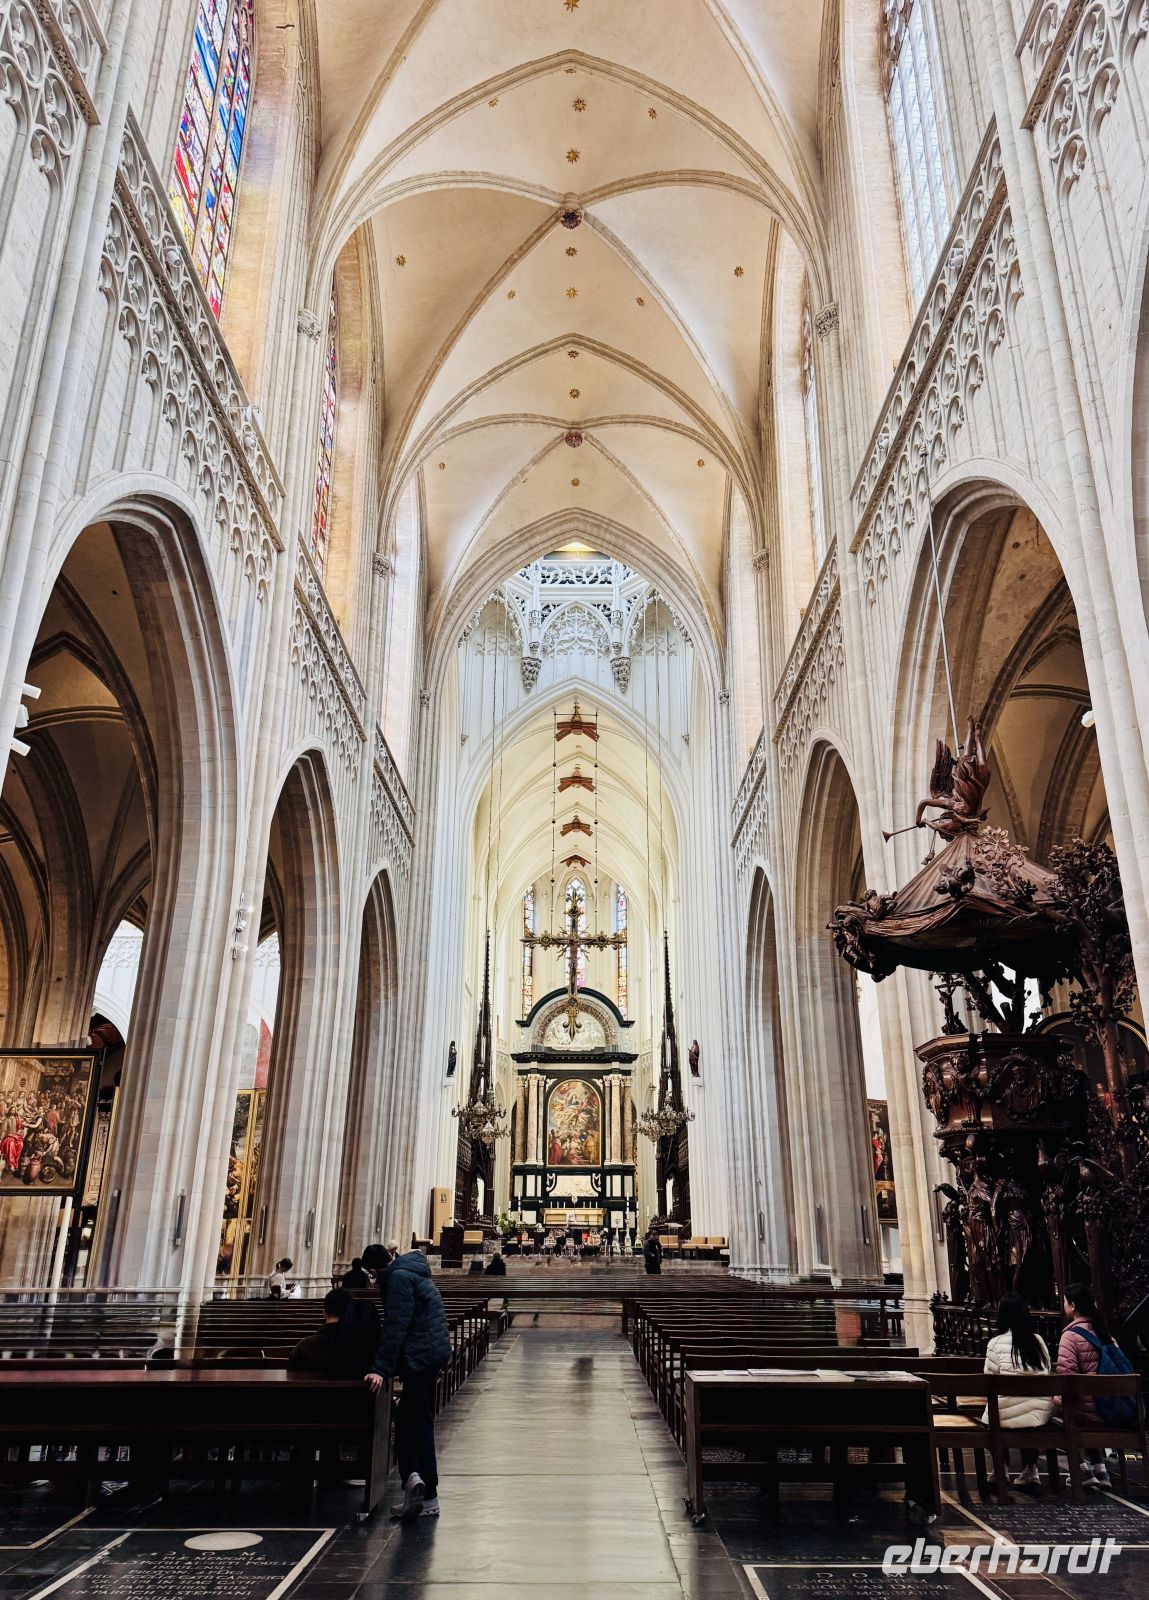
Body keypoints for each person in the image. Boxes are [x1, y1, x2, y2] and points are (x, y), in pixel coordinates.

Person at [362, 1243, 452, 1522]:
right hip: (425, 1353)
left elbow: (395, 1325)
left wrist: (380, 1368)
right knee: (408, 1423)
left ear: (374, 1271)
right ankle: (414, 1481)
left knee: (417, 1424)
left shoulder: (399, 1278)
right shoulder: (410, 1272)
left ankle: (425, 1491)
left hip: (422, 1356)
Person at [983, 1291, 1053, 1488]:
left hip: (1006, 1412)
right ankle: (1031, 1468)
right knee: (1026, 1410)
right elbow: (1047, 1371)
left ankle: (1002, 1467)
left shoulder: (995, 1343)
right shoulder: (1038, 1341)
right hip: (1040, 1411)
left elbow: (989, 1378)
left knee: (993, 1414)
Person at [1057, 1282, 1115, 1489]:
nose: (1064, 1306)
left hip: (1090, 1411)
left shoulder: (1070, 1336)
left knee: (1058, 1412)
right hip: (1112, 1408)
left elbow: (1067, 1381)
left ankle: (1082, 1469)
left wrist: (1055, 1401)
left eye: (1065, 1302)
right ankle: (1101, 1469)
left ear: (1072, 1306)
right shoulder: (1105, 1334)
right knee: (1079, 1406)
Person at [287, 1289, 379, 1377]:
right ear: (348, 1313)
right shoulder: (360, 1346)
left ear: (324, 1313)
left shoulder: (304, 1346)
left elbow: (290, 1375)